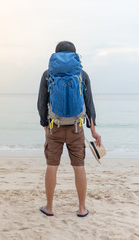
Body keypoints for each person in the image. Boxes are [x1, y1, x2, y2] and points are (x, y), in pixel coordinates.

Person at [37, 41, 102, 217]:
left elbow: (42, 103)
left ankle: (49, 207)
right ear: (74, 55)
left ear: (56, 55)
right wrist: (93, 130)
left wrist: (45, 126)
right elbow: (89, 105)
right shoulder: (82, 74)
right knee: (79, 166)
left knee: (52, 166)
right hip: (76, 128)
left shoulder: (48, 74)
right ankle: (82, 208)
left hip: (54, 128)